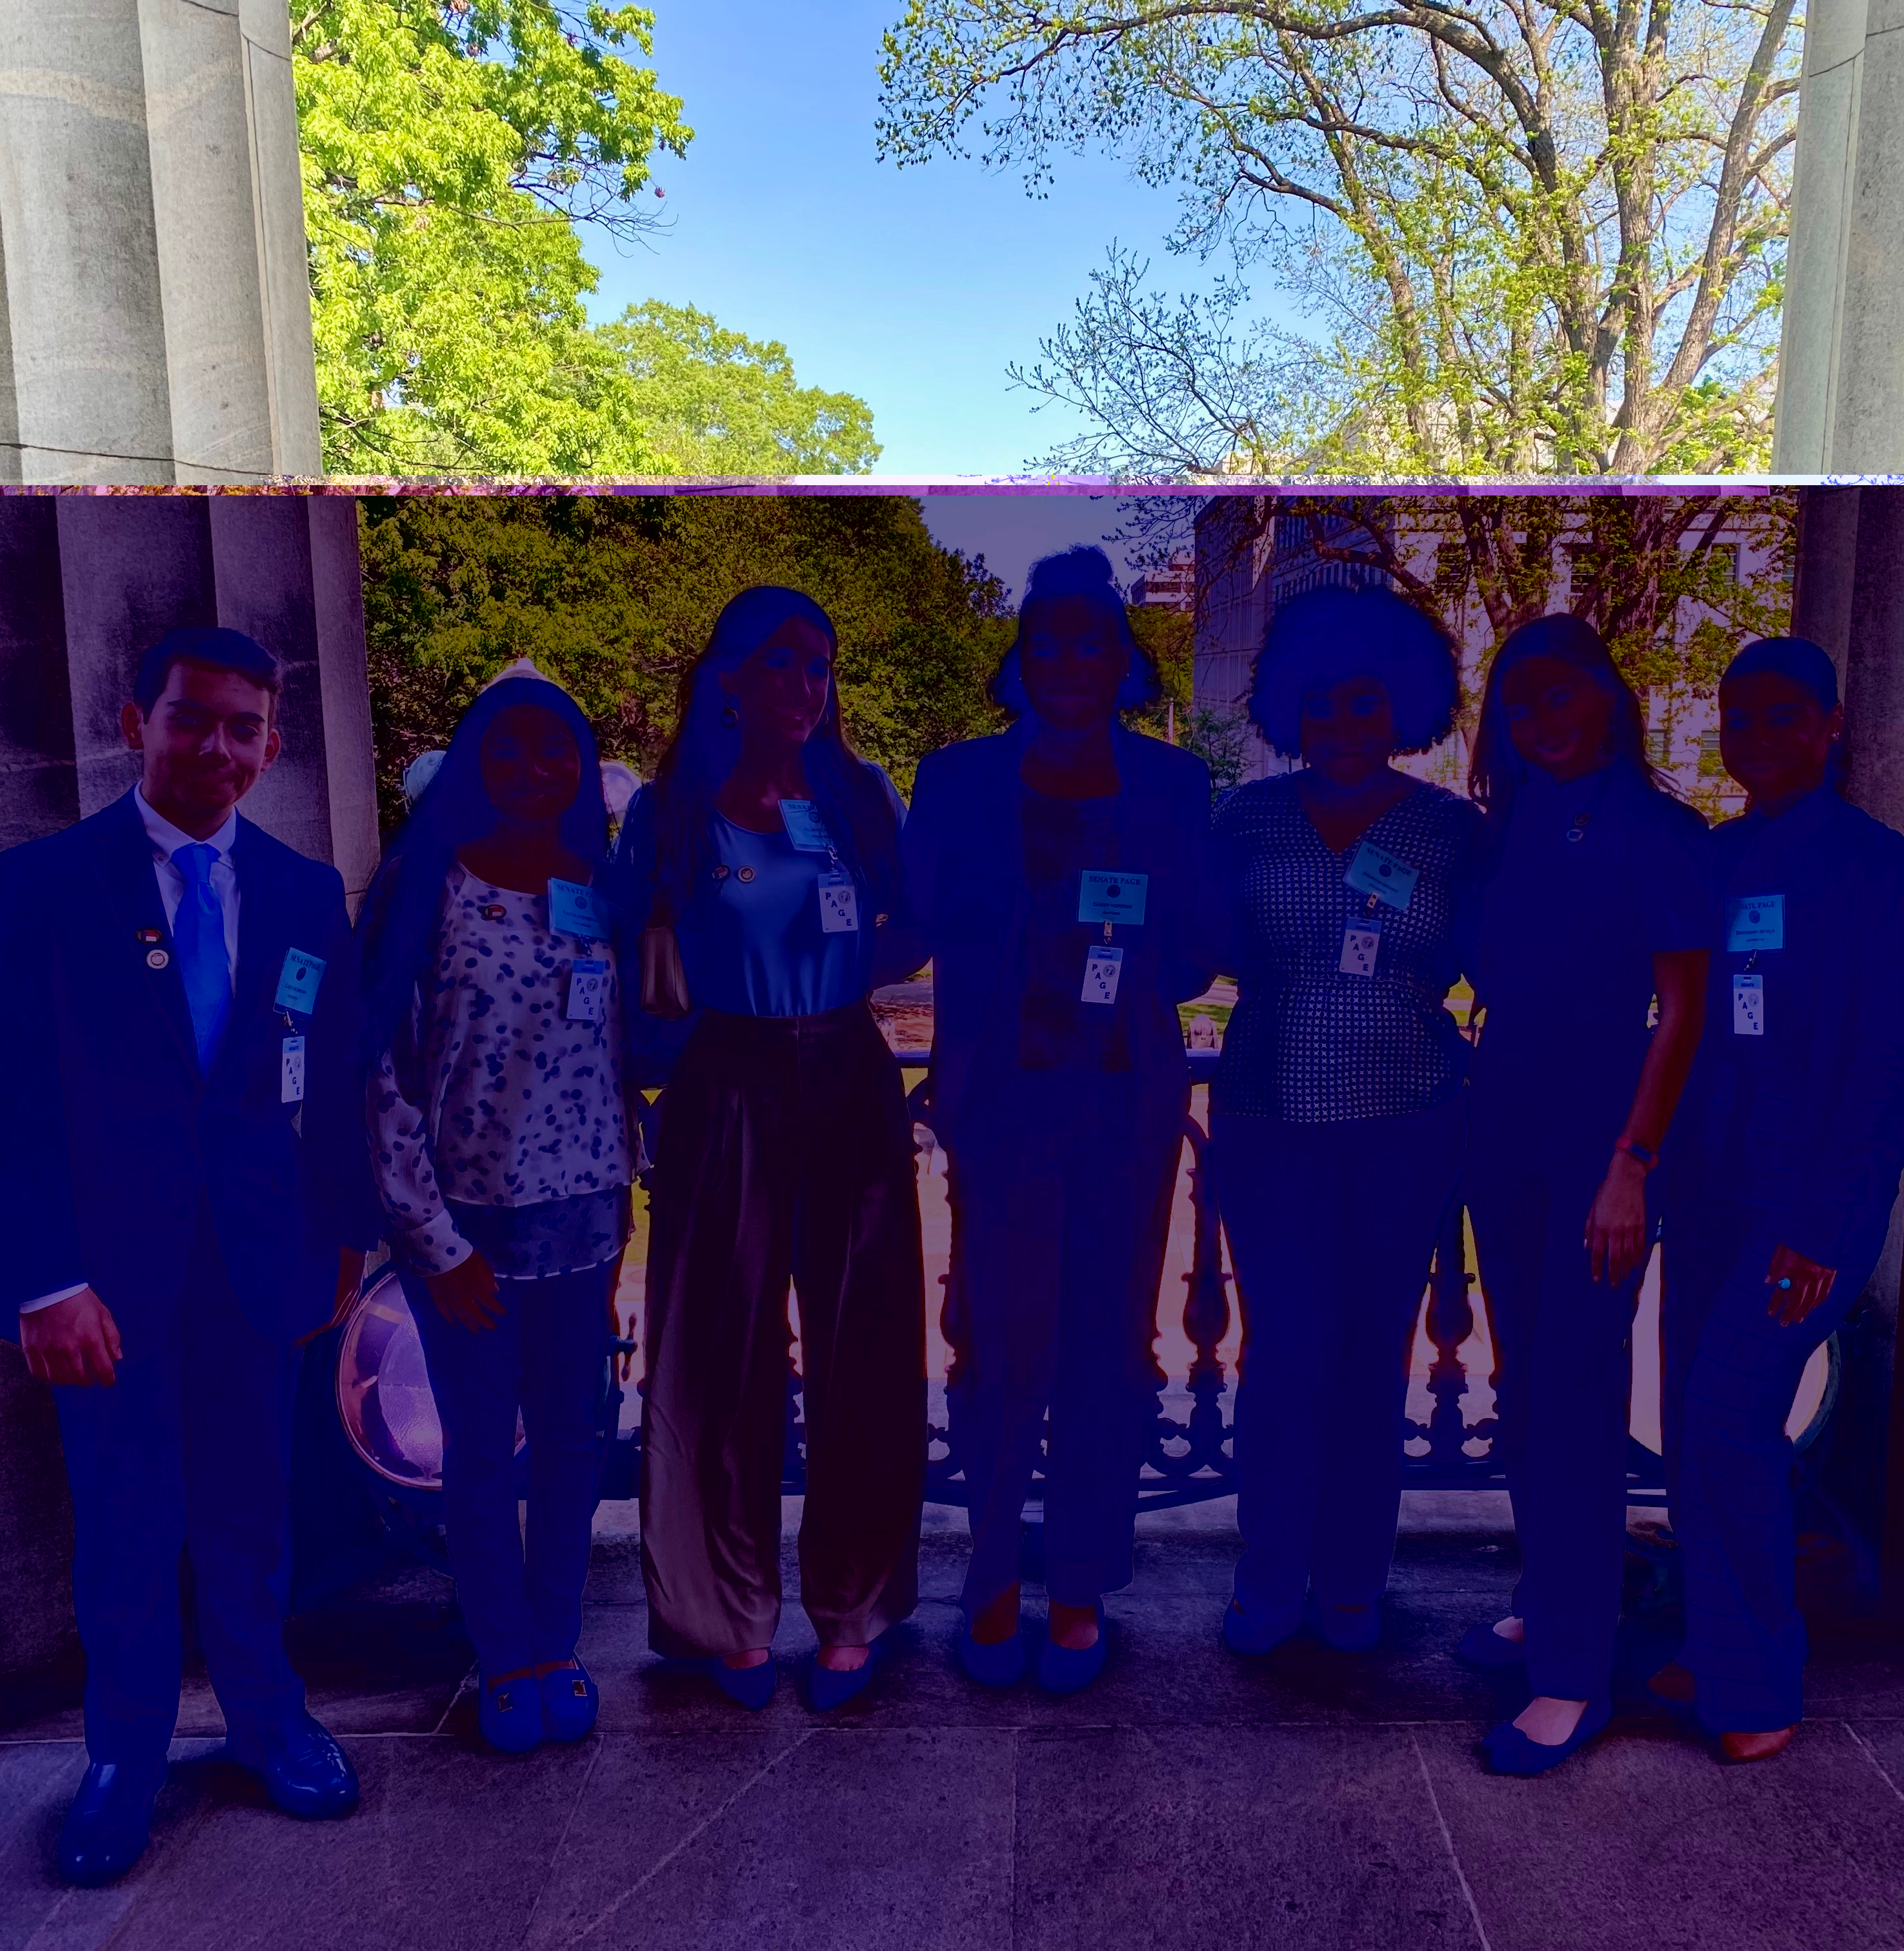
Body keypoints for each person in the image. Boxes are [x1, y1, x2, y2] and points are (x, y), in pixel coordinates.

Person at [0, 628, 379, 1885]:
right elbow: (2, 1099)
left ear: (271, 743)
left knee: (253, 1516)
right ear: (136, 720)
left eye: (243, 727)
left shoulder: (305, 894)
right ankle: (122, 1759)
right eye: (192, 718)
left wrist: (345, 1242)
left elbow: (333, 1079)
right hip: (107, 1287)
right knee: (128, 1529)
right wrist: (44, 1280)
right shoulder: (50, 884)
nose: (217, 747)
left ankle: (268, 1724)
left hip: (261, 1267)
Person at [603, 587, 930, 1712]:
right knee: (712, 1360)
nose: (804, 688)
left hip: (845, 1072)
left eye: (820, 668)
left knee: (868, 1352)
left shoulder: (859, 798)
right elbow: (618, 954)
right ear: (728, 678)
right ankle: (724, 1614)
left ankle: (855, 1608)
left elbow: (911, 931)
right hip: (725, 1081)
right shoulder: (670, 812)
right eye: (782, 665)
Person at [901, 547, 1215, 1694]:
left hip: (1123, 1112)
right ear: (1021, 657)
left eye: (1094, 637)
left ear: (1123, 657)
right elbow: (914, 926)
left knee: (1106, 1351)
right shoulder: (955, 782)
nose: (1073, 658)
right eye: (1050, 637)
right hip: (999, 1108)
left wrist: (1138, 936)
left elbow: (1195, 959)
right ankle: (988, 1575)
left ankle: (1079, 1584)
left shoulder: (1177, 790)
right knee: (991, 1348)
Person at [1652, 636, 1904, 1763]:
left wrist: (1824, 1224)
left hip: (1803, 1207)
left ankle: (1758, 1680)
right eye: (1740, 715)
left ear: (1830, 727)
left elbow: (1878, 1063)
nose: (1758, 735)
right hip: (1709, 1192)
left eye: (1784, 716)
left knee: (1725, 1418)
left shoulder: (1875, 869)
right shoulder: (1717, 862)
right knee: (1694, 1425)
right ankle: (1715, 1632)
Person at [1451, 614, 1714, 1777]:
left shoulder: (1660, 829)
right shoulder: (1504, 831)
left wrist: (1631, 1163)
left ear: (1606, 696)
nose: (1544, 720)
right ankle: (1547, 1598)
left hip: (1601, 1131)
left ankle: (1573, 1672)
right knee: (1527, 1383)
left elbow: (1685, 1013)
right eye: (1521, 702)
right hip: (1503, 1114)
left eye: (1563, 696)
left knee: (1574, 1392)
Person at [353, 663, 630, 1756]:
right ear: (473, 759)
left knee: (572, 1444)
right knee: (480, 1451)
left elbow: (610, 1055)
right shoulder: (430, 884)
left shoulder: (594, 886)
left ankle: (556, 1642)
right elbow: (385, 1075)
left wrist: (618, 1220)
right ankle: (503, 1652)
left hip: (588, 1223)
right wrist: (435, 1241)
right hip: (467, 1231)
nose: (531, 767)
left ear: (581, 766)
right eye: (507, 746)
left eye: (555, 747)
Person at [1207, 585, 1487, 1657]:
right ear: (1291, 710)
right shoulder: (1245, 820)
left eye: (1366, 704)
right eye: (1322, 704)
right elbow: (1198, 942)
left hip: (1410, 1118)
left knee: (1375, 1354)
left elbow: (1492, 960)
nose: (1343, 725)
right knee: (1285, 1350)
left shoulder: (1451, 831)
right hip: (1269, 1113)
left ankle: (1355, 1580)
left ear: (1403, 709)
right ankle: (1269, 1574)